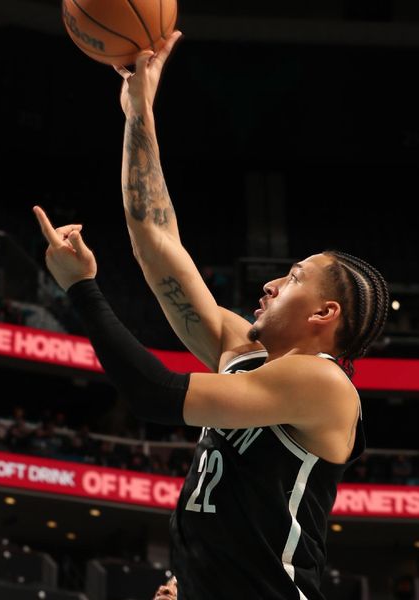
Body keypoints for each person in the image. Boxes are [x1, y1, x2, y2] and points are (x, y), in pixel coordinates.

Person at [34, 32, 387, 600]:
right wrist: (139, 112)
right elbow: (154, 235)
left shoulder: (325, 383)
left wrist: (83, 291)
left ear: (325, 313)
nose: (271, 283)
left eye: (293, 277)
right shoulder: (242, 351)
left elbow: (154, 395)